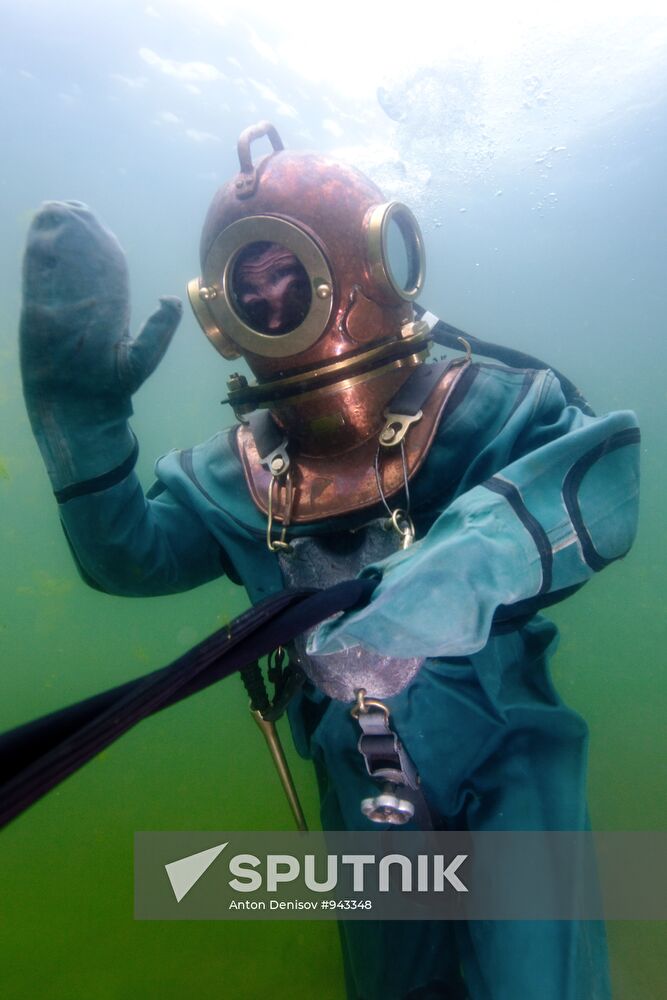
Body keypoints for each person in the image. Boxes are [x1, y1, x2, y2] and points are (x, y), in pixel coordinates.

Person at [20, 121, 640, 1000]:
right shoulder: (227, 476)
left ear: (367, 267)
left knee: (535, 978)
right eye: (250, 287)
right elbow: (131, 558)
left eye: (290, 278)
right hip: (353, 778)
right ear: (220, 314)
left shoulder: (486, 407)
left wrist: (425, 594)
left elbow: (598, 474)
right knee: (395, 983)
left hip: (508, 753)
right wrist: (79, 426)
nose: (273, 306)